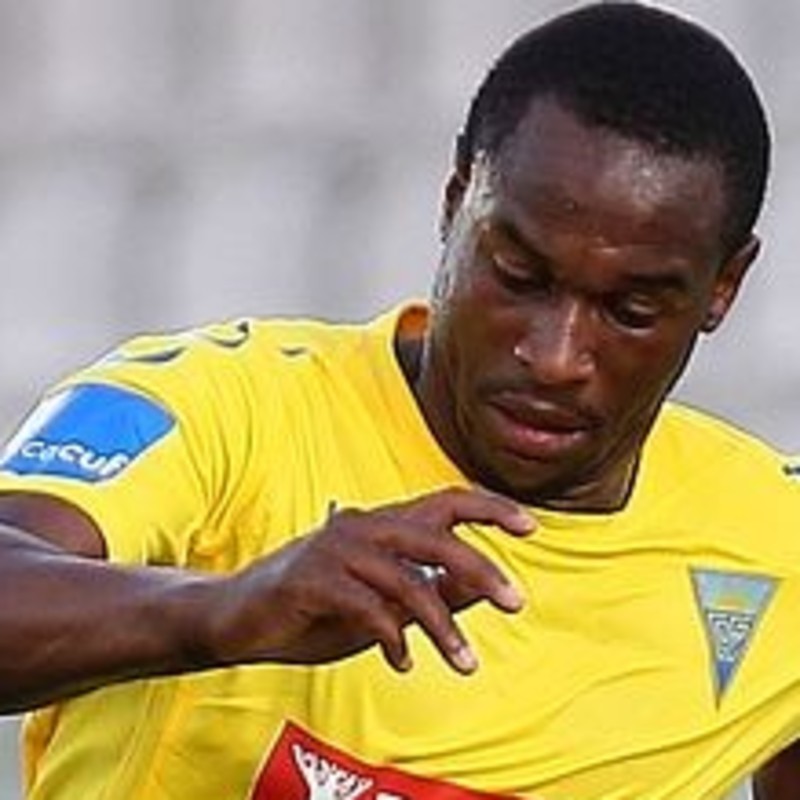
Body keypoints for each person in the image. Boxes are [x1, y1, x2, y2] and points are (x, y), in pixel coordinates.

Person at [0, 2, 797, 797]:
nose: (556, 357)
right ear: (456, 202)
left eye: (632, 310)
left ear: (723, 287)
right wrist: (224, 610)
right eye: (518, 277)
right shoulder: (224, 403)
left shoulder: (775, 544)